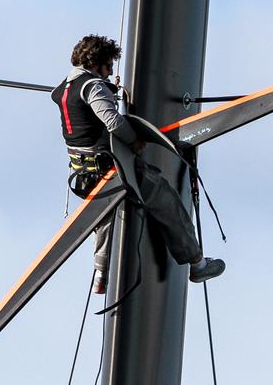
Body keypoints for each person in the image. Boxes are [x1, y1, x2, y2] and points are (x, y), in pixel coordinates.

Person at [51, 34, 225, 294]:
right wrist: (134, 141)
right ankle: (197, 264)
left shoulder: (63, 88)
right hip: (110, 168)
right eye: (108, 67)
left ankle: (100, 273)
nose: (110, 73)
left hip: (83, 174)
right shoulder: (93, 87)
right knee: (166, 200)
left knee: (105, 217)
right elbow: (112, 121)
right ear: (95, 63)